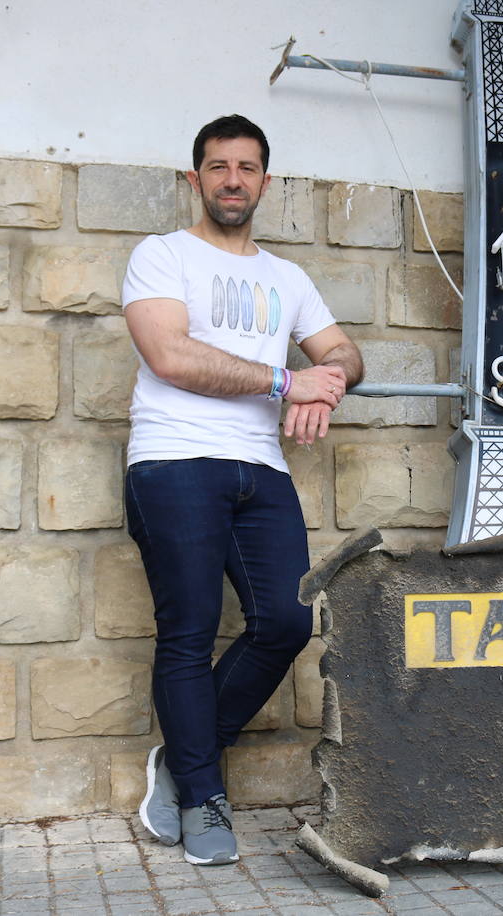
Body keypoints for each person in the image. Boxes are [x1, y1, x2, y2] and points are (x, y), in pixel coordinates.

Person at [123, 114, 363, 866]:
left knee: (285, 625)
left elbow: (344, 352)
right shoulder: (161, 256)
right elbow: (170, 355)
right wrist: (289, 378)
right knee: (189, 632)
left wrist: (329, 385)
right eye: (218, 167)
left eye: (247, 167)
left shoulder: (287, 278)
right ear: (195, 179)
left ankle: (185, 758)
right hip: (172, 463)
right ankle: (202, 795)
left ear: (265, 179)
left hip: (261, 468)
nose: (233, 179)